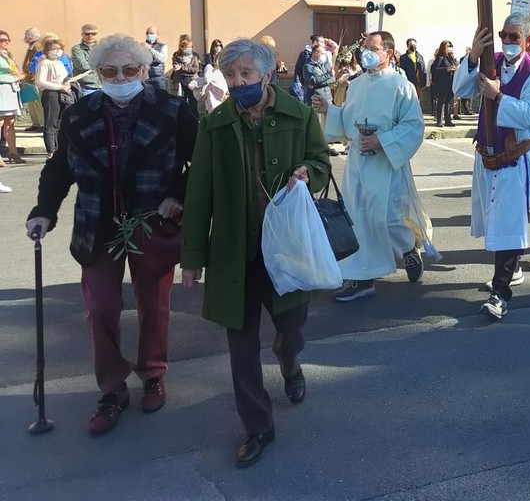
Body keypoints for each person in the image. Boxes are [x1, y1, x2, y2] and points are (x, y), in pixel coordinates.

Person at [26, 34, 197, 436]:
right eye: (110, 70)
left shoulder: (173, 109)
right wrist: (44, 211)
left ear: (143, 70)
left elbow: (200, 162)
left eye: (129, 69)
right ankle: (112, 386)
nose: (120, 77)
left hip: (153, 221)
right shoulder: (79, 113)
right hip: (98, 224)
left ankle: (152, 373)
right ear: (98, 72)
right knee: (100, 305)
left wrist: (178, 194)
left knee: (154, 304)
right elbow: (60, 167)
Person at [180, 38, 329, 467]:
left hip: (286, 250)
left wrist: (308, 172)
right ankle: (258, 426)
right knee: (241, 348)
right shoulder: (215, 124)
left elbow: (321, 162)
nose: (236, 82)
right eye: (230, 75)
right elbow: (199, 191)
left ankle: (289, 360)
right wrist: (192, 257)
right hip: (235, 254)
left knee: (293, 329)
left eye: (245, 73)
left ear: (267, 74)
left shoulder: (299, 115)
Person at [315, 31, 433, 302]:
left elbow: (414, 126)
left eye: (373, 48)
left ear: (388, 53)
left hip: (387, 164)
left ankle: (408, 248)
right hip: (358, 163)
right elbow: (347, 120)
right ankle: (362, 278)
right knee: (358, 219)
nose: (366, 52)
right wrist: (328, 110)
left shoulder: (401, 86)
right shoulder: (356, 84)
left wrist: (383, 141)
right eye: (365, 47)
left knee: (388, 219)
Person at [453, 14, 530, 319]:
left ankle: (500, 293)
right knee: (494, 222)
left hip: (513, 159)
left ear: (527, 40)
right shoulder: (489, 62)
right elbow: (461, 90)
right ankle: (512, 268)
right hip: (486, 157)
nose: (507, 41)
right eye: (503, 35)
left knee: (508, 226)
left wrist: (498, 96)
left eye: (514, 37)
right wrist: (472, 57)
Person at [35, 37, 72, 157]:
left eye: (59, 49)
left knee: (60, 124)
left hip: (63, 94)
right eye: (54, 49)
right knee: (51, 124)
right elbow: (40, 81)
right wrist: (59, 87)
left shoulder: (60, 63)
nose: (57, 51)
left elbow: (64, 78)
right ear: (47, 50)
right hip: (51, 94)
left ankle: (59, 149)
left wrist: (67, 84)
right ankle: (51, 151)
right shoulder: (44, 63)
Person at [0, 30, 25, 176]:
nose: (5, 42)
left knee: (10, 121)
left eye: (7, 40)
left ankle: (13, 152)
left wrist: (19, 75)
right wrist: (13, 78)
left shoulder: (8, 54)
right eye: (2, 40)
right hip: (2, 90)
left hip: (11, 90)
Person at [171, 34, 201, 118]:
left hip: (192, 81)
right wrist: (184, 69)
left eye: (190, 47)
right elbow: (176, 68)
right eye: (187, 47)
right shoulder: (176, 56)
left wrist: (182, 67)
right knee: (181, 102)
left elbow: (195, 69)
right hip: (180, 81)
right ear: (182, 47)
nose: (189, 49)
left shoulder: (195, 56)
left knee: (193, 102)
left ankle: (195, 120)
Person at [430, 40, 458, 127]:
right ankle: (439, 120)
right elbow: (435, 69)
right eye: (448, 46)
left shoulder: (450, 58)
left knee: (448, 102)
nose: (450, 48)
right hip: (442, 84)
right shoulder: (440, 57)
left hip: (450, 83)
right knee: (441, 101)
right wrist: (447, 69)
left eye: (450, 46)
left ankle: (448, 120)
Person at [21, 27, 45, 131]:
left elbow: (38, 62)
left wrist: (31, 72)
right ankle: (36, 123)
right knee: (32, 101)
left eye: (26, 36)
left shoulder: (38, 46)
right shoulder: (33, 46)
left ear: (29, 37)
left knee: (37, 101)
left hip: (35, 77)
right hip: (30, 78)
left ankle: (41, 123)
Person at [71, 24, 101, 95]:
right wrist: (99, 65)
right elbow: (83, 66)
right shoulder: (77, 48)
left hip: (103, 85)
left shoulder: (102, 47)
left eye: (93, 34)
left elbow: (107, 64)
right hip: (86, 86)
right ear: (82, 34)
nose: (90, 36)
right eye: (87, 34)